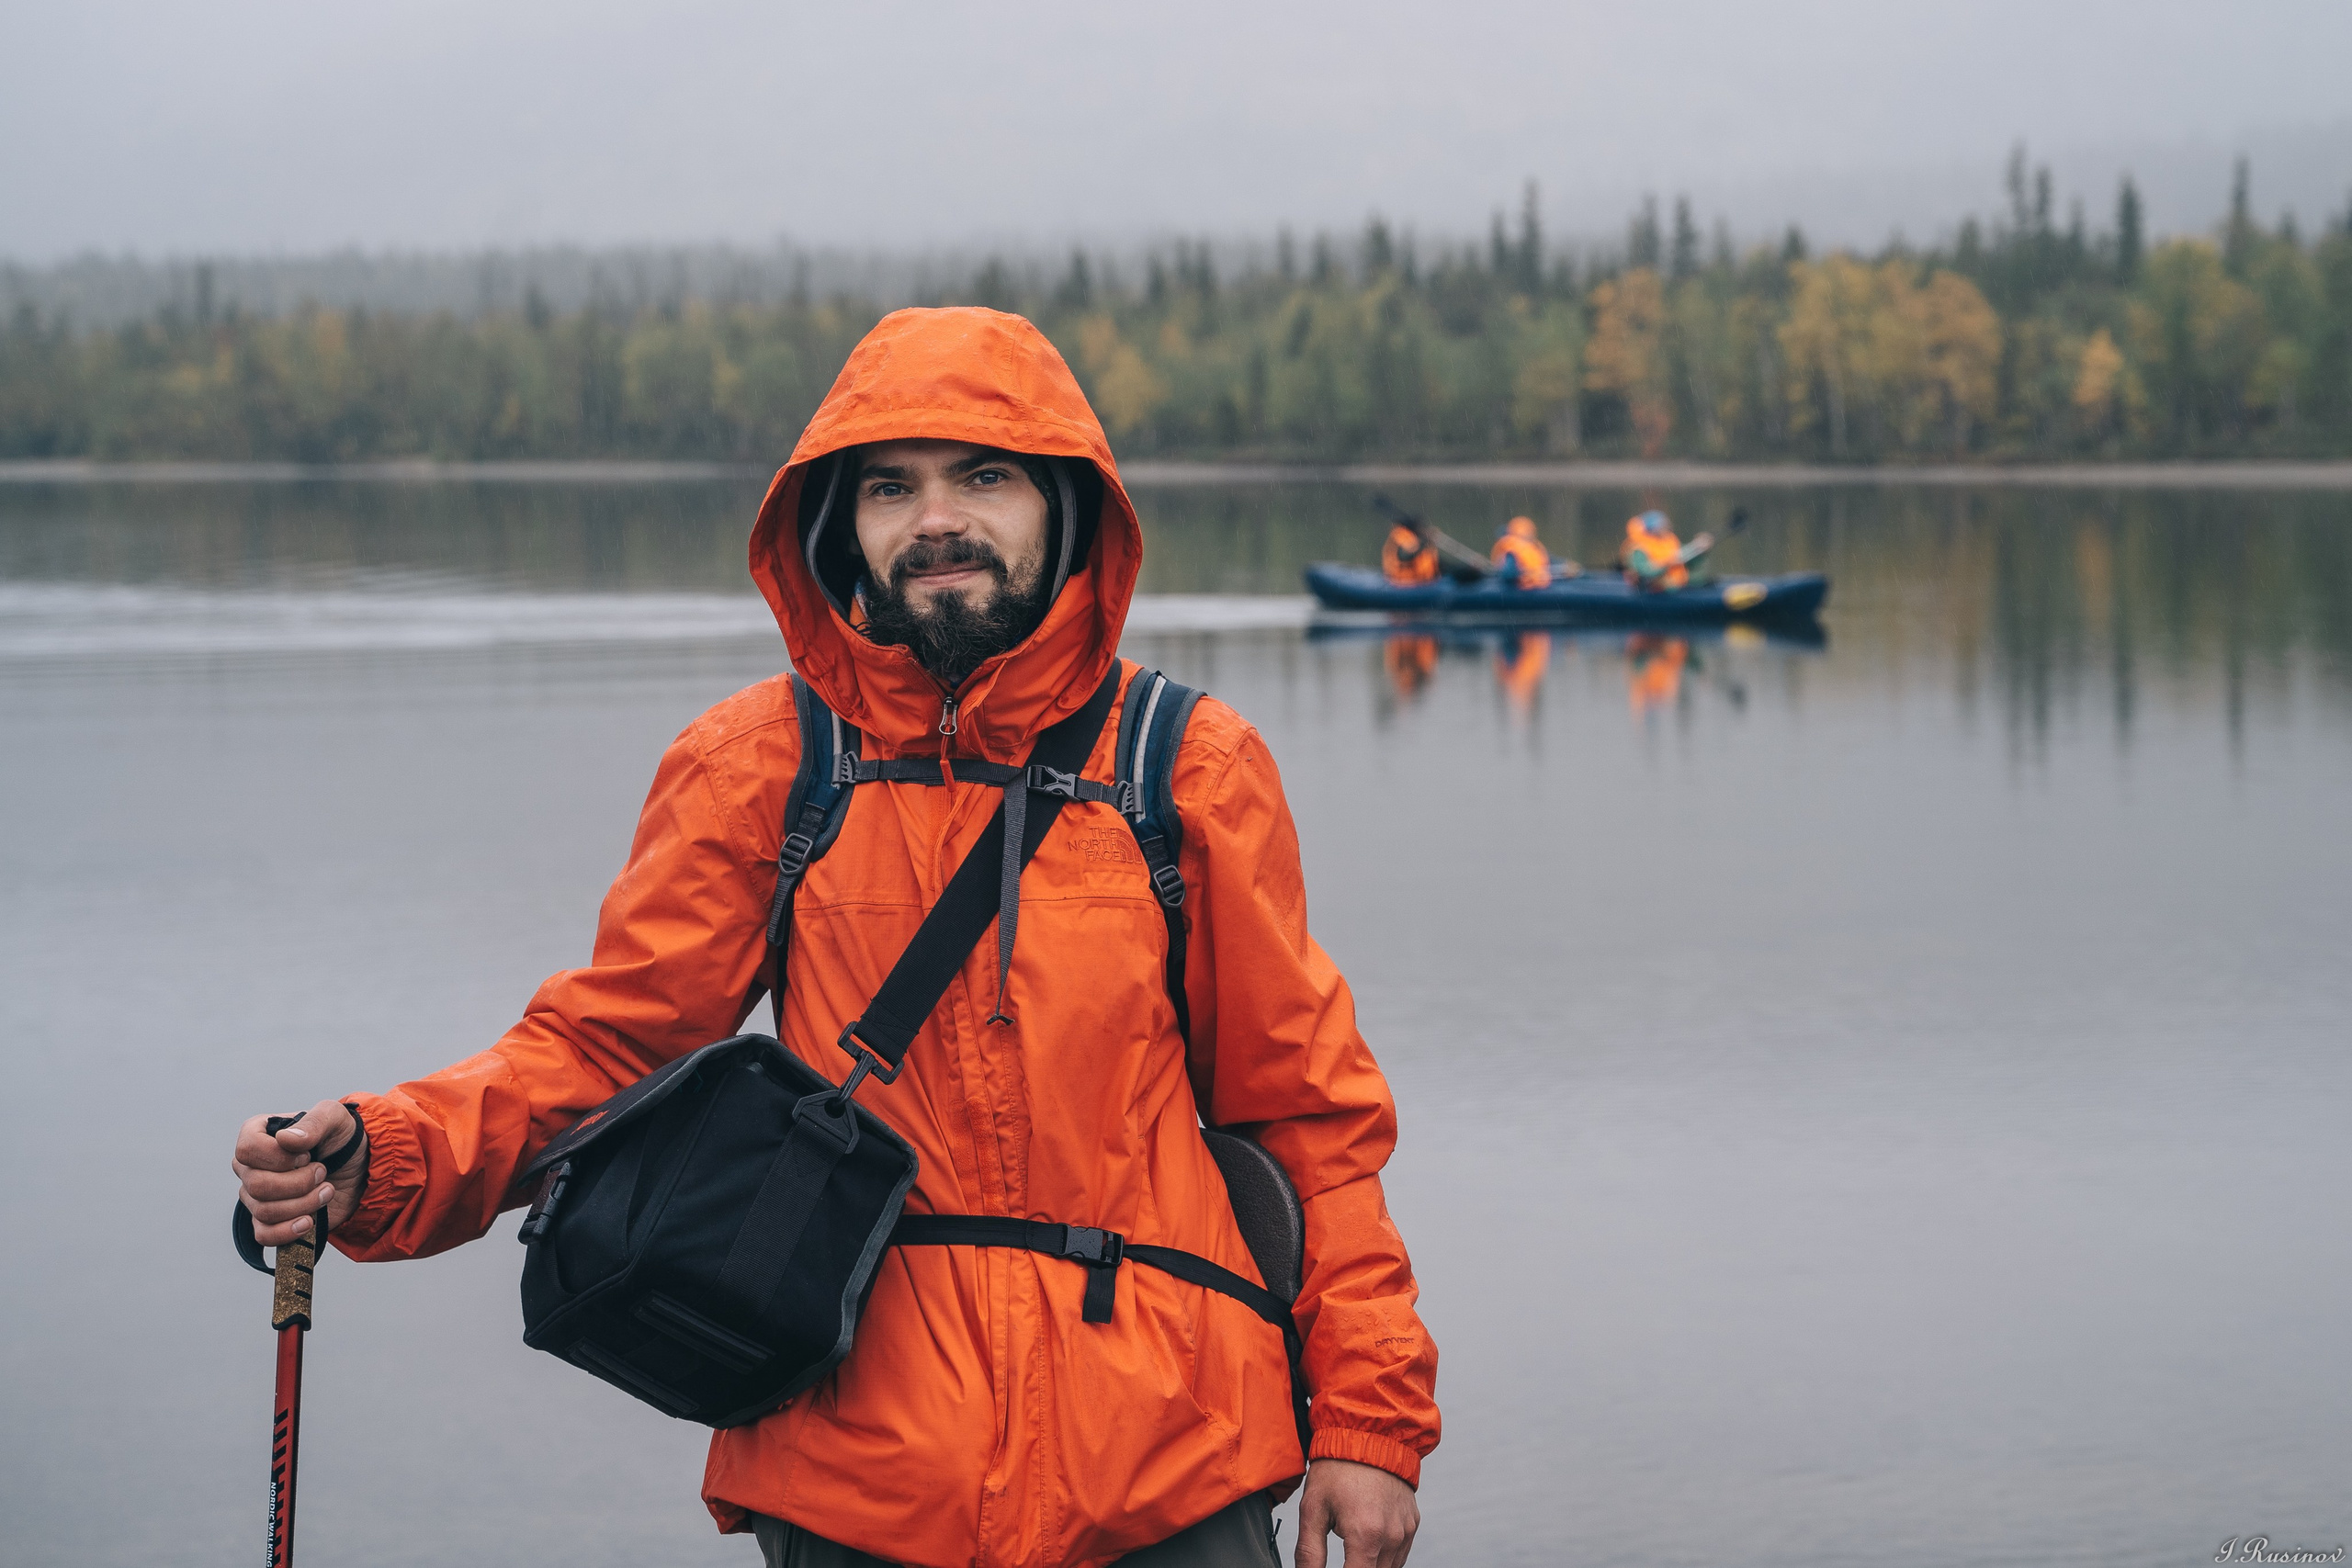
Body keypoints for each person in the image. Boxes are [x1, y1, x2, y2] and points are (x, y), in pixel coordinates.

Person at [230, 308, 1436, 1568]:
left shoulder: (1188, 764)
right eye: (890, 486)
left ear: (1067, 506)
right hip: (858, 1473)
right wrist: (390, 1151)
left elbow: (1307, 1123)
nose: (938, 520)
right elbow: (608, 1053)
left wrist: (1367, 1415)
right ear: (838, 525)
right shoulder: (764, 764)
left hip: (1174, 1468)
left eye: (985, 475)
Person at [1621, 509, 1713, 592]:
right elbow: (1644, 572)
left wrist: (1700, 550)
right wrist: (1667, 564)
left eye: (1665, 525)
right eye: (1661, 525)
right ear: (1651, 529)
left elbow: (1690, 561)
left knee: (1701, 578)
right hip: (1651, 590)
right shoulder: (1639, 549)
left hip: (1677, 587)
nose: (1665, 528)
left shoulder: (1669, 541)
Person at [1487, 516, 1553, 590]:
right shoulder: (1534, 548)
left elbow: (1508, 574)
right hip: (1541, 583)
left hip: (1524, 586)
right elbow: (1549, 561)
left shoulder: (1511, 548)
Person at [1380, 516, 1440, 585]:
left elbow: (1431, 559)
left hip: (1424, 582)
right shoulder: (1401, 535)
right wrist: (1425, 541)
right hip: (1402, 582)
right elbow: (1405, 555)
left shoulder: (1418, 539)